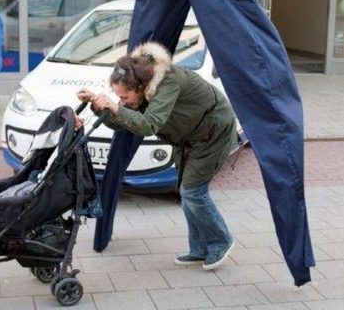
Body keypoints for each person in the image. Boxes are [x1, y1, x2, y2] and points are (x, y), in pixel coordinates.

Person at [95, 0, 315, 287]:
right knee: (258, 45)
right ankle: (208, 245)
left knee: (187, 183)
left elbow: (144, 110)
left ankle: (195, 242)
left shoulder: (164, 80)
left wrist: (115, 107)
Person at [78, 41, 237, 270]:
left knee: (192, 191)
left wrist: (116, 107)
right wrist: (97, 105)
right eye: (118, 97)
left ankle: (221, 241)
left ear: (140, 87)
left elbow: (148, 125)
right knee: (186, 190)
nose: (122, 102)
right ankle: (199, 249)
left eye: (124, 98)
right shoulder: (140, 89)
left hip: (213, 132)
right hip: (189, 137)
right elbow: (122, 123)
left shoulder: (169, 81)